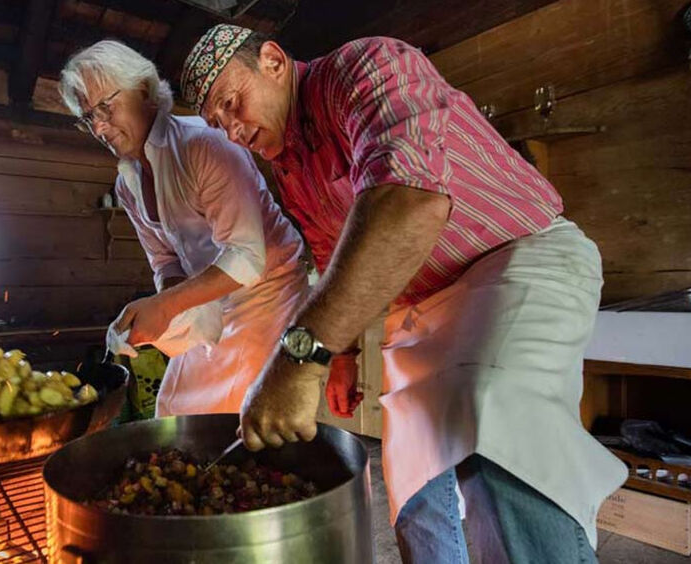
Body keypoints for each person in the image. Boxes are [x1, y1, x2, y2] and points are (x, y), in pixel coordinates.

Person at [181, 24, 626, 563]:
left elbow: (410, 199)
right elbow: (329, 250)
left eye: (233, 103)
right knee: (414, 481)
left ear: (273, 61)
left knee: (498, 427)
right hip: (422, 309)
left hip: (519, 258)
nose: (232, 130)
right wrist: (342, 356)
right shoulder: (289, 166)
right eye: (217, 122)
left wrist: (301, 358)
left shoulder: (366, 67)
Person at [59, 40, 310, 417]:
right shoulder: (127, 183)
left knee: (241, 417)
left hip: (268, 296)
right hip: (207, 301)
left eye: (105, 107)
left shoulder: (203, 145)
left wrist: (166, 305)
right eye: (87, 117)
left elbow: (247, 256)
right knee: (172, 409)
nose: (97, 126)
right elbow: (165, 261)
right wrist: (173, 314)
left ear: (143, 90)